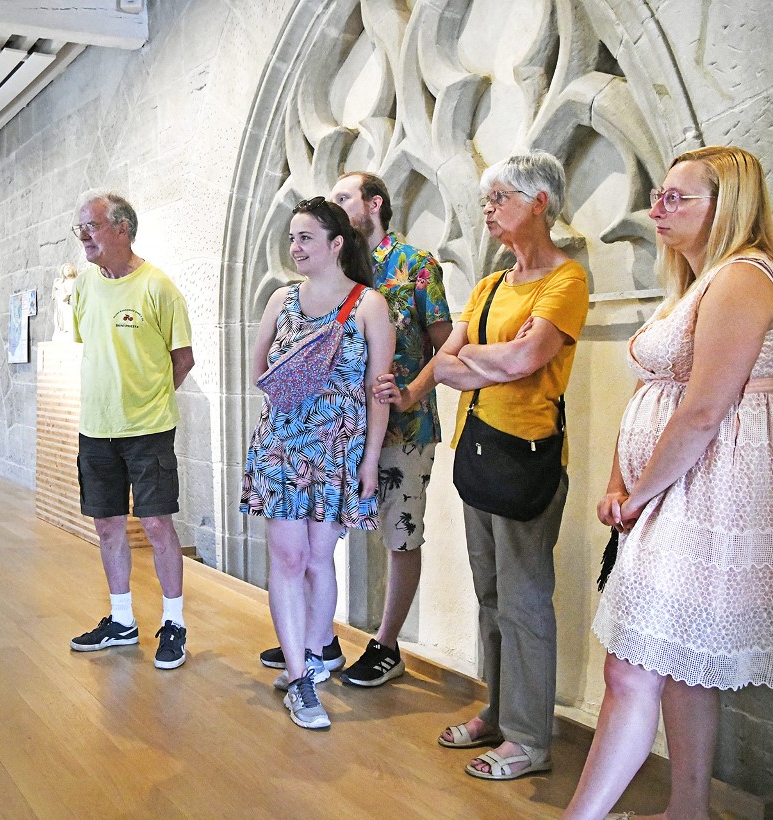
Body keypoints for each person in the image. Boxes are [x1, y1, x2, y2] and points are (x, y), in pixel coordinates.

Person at [565, 146, 773, 818]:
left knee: (631, 670)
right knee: (680, 666)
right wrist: (616, 478)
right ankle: (688, 811)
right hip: (667, 489)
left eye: (677, 197)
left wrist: (641, 493)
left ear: (728, 205)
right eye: (658, 194)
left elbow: (707, 409)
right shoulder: (695, 282)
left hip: (704, 492)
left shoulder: (743, 278)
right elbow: (652, 396)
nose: (657, 208)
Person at [408, 151, 588, 779]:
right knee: (490, 595)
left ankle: (531, 740)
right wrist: (418, 389)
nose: (488, 208)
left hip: (526, 458)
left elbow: (522, 363)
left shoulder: (566, 280)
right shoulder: (489, 286)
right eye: (485, 200)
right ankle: (497, 709)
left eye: (500, 197)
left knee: (525, 599)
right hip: (479, 454)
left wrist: (473, 365)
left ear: (540, 202)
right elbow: (451, 359)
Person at [257, 172, 453, 686]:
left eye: (343, 198)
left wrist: (409, 393)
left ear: (372, 205)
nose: (335, 204)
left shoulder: (414, 266)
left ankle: (385, 643)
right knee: (316, 548)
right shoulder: (315, 286)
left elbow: (445, 346)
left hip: (400, 424)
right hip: (324, 435)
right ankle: (315, 641)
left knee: (399, 534)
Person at [241, 197, 395, 728]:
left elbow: (380, 390)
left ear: (336, 244)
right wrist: (291, 378)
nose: (295, 248)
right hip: (282, 444)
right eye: (291, 238)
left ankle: (310, 652)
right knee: (286, 557)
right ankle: (300, 677)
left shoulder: (369, 304)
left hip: (337, 450)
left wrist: (370, 459)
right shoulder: (282, 300)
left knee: (317, 558)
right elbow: (258, 365)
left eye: (305, 237)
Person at [67, 190, 196, 670]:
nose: (84, 236)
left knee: (159, 525)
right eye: (80, 227)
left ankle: (175, 622)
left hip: (148, 430)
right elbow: (94, 348)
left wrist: (149, 398)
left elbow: (182, 359)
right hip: (95, 429)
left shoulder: (158, 287)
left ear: (122, 229)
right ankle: (121, 620)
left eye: (92, 226)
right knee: (107, 526)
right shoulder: (82, 287)